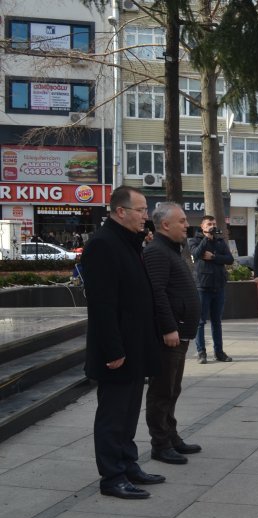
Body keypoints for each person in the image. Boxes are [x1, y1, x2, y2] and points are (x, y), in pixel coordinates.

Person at [81, 186, 163, 499]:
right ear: (120, 212)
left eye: (146, 210)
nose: (146, 216)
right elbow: (102, 305)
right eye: (141, 210)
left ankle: (128, 465)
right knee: (113, 416)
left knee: (128, 413)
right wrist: (114, 349)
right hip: (116, 351)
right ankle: (112, 477)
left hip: (135, 346)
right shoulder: (103, 245)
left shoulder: (128, 242)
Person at [143, 203, 204, 466]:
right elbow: (157, 293)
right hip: (170, 334)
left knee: (173, 389)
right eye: (181, 221)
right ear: (165, 225)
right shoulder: (156, 252)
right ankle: (161, 444)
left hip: (181, 332)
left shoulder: (172, 250)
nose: (186, 225)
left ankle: (172, 436)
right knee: (162, 391)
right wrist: (169, 328)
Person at [189, 215, 234, 364]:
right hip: (203, 286)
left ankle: (219, 352)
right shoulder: (194, 240)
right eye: (209, 224)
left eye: (214, 224)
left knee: (217, 321)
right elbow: (196, 254)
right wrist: (206, 238)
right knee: (200, 321)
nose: (212, 226)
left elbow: (229, 259)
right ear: (202, 226)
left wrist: (214, 257)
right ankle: (201, 352)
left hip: (219, 285)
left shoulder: (220, 241)